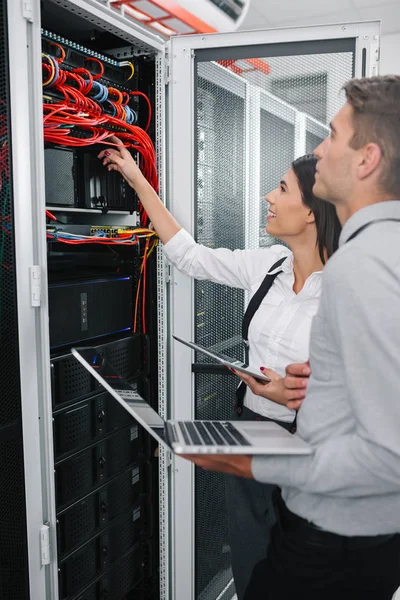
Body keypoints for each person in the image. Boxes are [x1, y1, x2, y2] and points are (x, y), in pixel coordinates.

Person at [180, 75, 400, 600]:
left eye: (331, 134)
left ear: (366, 159)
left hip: (336, 536)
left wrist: (250, 461)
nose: (318, 150)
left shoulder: (360, 267)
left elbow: (390, 453)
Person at [98, 142, 341, 598]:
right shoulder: (268, 265)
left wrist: (294, 394)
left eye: (283, 187)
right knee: (253, 566)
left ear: (312, 211)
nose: (269, 196)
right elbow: (189, 255)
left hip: (311, 448)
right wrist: (136, 179)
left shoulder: (351, 289)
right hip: (250, 434)